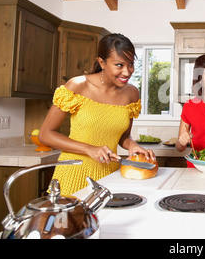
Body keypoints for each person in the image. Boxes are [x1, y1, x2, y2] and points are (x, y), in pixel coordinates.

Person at [39, 33, 155, 196]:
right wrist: (89, 149)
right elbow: (45, 134)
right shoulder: (77, 86)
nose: (127, 72)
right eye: (119, 65)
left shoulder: (132, 93)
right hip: (75, 173)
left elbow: (123, 137)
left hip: (111, 177)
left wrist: (132, 145)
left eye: (130, 65)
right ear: (102, 62)